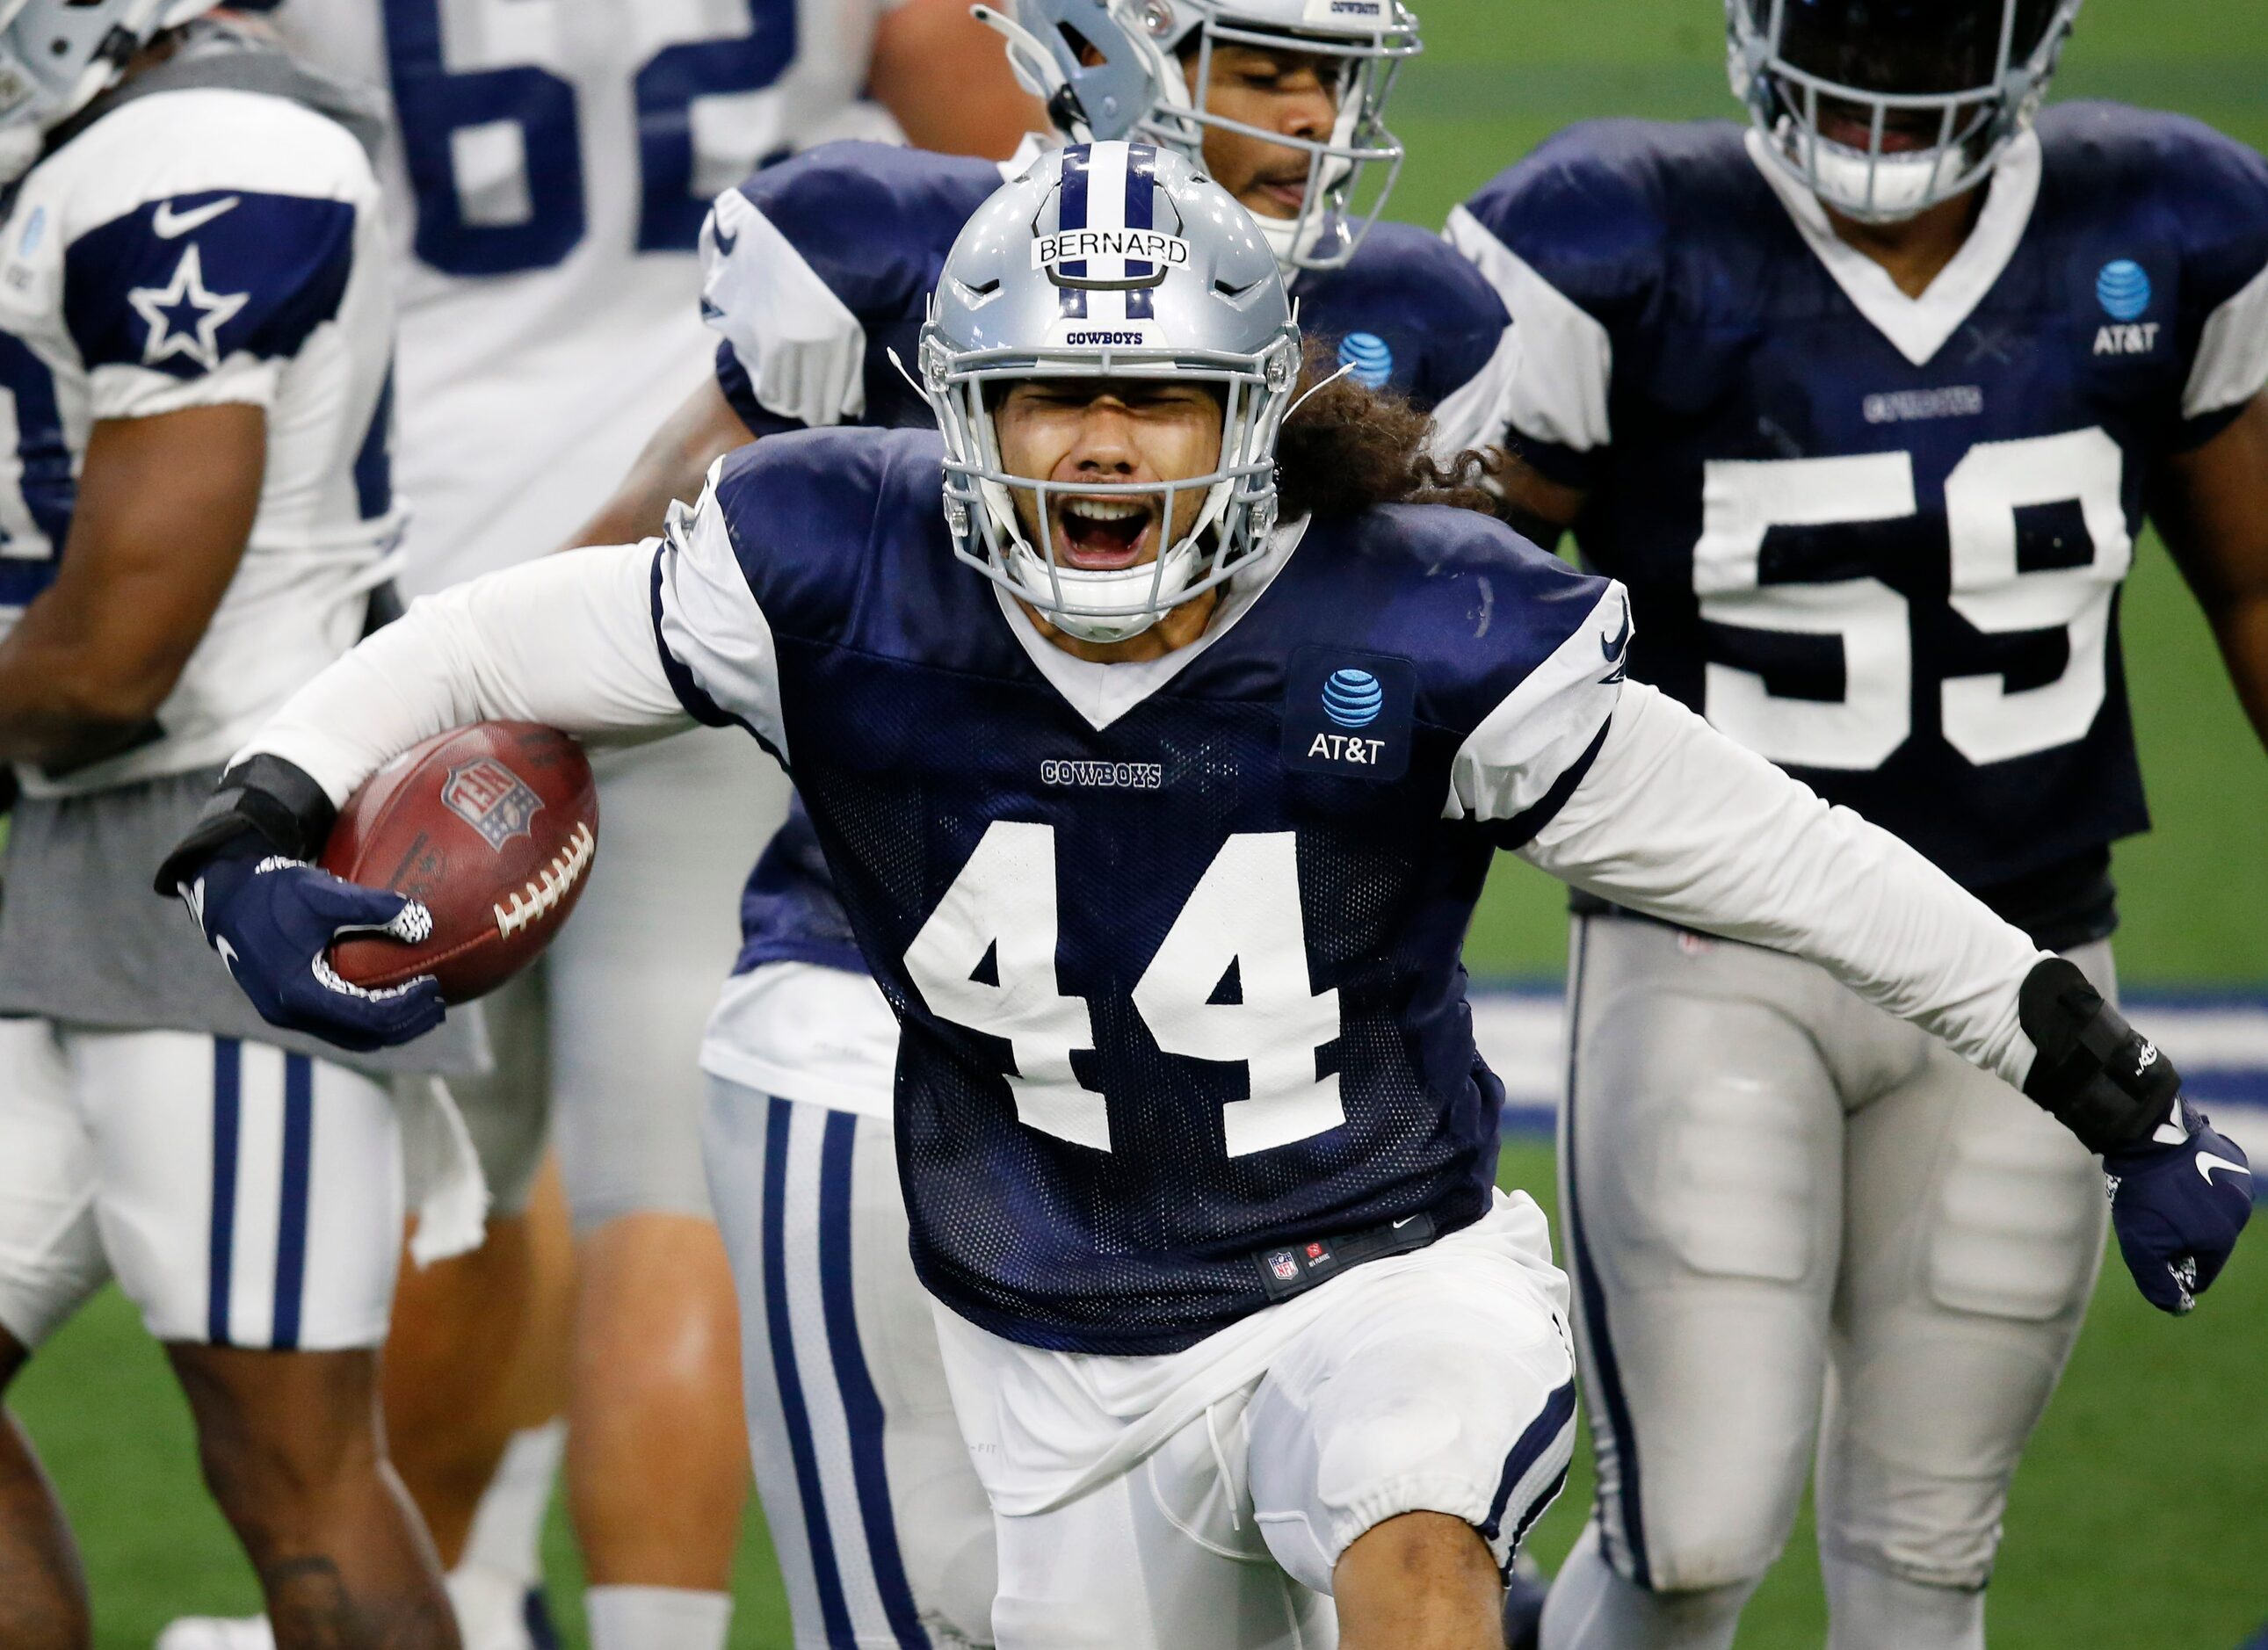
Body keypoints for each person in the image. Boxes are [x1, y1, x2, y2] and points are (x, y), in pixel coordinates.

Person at [160, 142, 2249, 1650]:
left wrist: (2115, 1092)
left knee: (1414, 1546)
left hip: (1375, 1274)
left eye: (1151, 398)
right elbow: (488, 649)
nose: (1095, 449)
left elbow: (1804, 868)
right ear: (951, 411)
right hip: (1047, 1328)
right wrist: (261, 814)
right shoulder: (832, 563)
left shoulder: (1429, 630)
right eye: (1045, 396)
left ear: (1257, 416)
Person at [567, 3, 1519, 1640]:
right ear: (1110, 49)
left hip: (1249, 1062)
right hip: (901, 987)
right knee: (917, 1592)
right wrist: (474, 741)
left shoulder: (1412, 313)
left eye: (1330, 74)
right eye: (1264, 67)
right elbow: (622, 582)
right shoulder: (885, 242)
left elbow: (1482, 665)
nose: (1311, 117)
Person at [155, 5, 1043, 1648]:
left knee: (447, 1172)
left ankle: (465, 1601)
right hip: (717, 556)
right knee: (666, 1191)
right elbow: (1004, 202)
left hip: (412, 577)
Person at [1443, 1, 2268, 1646]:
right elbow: (1431, 636)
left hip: (2031, 965)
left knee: (1927, 1538)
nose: (1884, 50)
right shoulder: (1605, 236)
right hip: (1712, 950)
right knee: (1687, 1526)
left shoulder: (2169, 220)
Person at [0, 4, 489, 1646]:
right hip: (80, 858)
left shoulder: (204, 154)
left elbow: (124, 644)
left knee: (290, 1465)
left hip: (232, 865)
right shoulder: (117, 150)